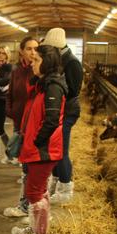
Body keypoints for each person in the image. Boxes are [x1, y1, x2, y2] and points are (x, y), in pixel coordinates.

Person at [9, 45, 67, 234]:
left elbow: (51, 120)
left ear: (46, 62)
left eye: (36, 60)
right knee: (39, 191)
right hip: (40, 148)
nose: (32, 64)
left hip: (43, 150)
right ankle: (36, 228)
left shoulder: (52, 87)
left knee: (34, 192)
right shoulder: (44, 84)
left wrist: (37, 142)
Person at [41, 28, 83, 205]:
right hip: (62, 110)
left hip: (69, 110)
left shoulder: (72, 63)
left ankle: (66, 187)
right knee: (56, 148)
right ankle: (58, 182)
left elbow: (74, 90)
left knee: (62, 150)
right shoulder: (62, 59)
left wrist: (58, 87)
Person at [3, 36, 38, 218]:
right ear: (22, 51)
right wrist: (10, 110)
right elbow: (10, 93)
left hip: (32, 125)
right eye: (29, 49)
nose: (33, 52)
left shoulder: (39, 72)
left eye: (35, 49)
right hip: (19, 122)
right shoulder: (17, 71)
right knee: (24, 164)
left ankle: (27, 207)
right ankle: (27, 206)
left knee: (31, 166)